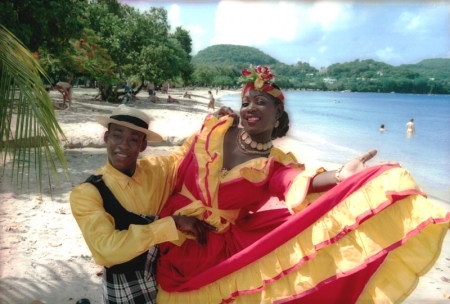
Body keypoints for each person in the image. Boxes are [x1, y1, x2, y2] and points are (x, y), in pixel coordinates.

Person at [155, 66, 450, 303]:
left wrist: (339, 176)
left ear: (277, 114)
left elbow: (296, 182)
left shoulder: (274, 164)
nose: (250, 108)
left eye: (261, 101)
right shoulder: (215, 130)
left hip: (211, 249)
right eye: (245, 102)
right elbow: (175, 165)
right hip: (165, 225)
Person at [69, 106, 215, 303]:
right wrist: (172, 223)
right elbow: (106, 250)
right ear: (106, 138)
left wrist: (213, 125)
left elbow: (185, 154)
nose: (124, 145)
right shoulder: (87, 193)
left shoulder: (156, 170)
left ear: (143, 145)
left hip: (169, 278)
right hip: (125, 287)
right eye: (117, 136)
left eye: (133, 139)